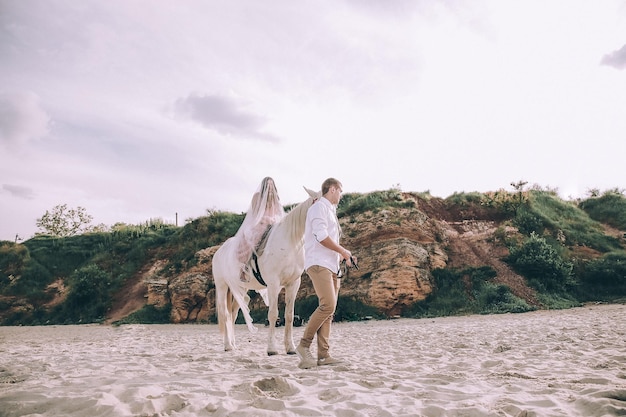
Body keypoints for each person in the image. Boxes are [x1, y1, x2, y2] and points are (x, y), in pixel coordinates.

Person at [296, 177, 356, 369]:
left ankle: (323, 355)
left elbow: (328, 239)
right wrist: (343, 251)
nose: (341, 195)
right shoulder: (318, 208)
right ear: (332, 189)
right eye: (340, 191)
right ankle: (304, 346)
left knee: (329, 312)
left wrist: (343, 256)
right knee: (327, 305)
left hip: (330, 265)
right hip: (318, 263)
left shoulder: (329, 210)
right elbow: (321, 236)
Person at [235, 177, 285, 281]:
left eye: (271, 185)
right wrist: (264, 219)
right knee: (252, 237)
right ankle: (244, 267)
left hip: (273, 222)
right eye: (268, 185)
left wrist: (276, 220)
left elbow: (279, 212)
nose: (270, 188)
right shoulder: (257, 197)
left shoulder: (276, 198)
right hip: (261, 222)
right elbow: (255, 212)